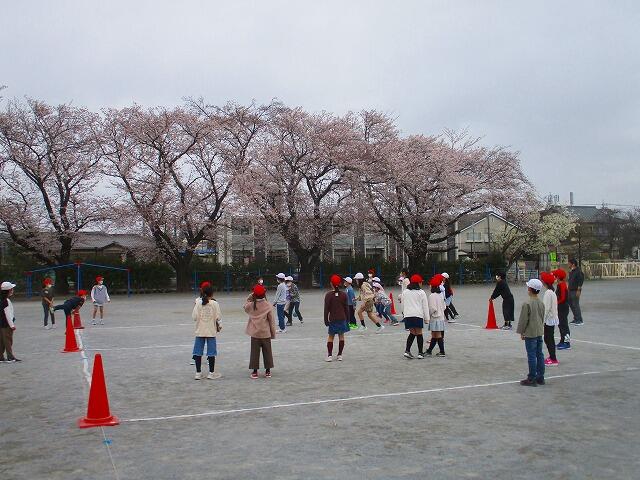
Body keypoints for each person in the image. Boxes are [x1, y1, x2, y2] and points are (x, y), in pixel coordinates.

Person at [516, 279, 546, 387]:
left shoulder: (527, 303)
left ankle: (532, 377)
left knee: (531, 355)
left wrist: (521, 331)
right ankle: (540, 377)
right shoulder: (541, 303)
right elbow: (542, 317)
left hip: (530, 332)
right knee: (539, 354)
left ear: (530, 289)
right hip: (539, 331)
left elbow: (523, 319)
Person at [244, 284, 276, 379]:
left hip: (255, 334)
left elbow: (245, 306)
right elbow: (271, 321)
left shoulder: (251, 305)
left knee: (254, 353)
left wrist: (250, 296)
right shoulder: (268, 305)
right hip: (265, 333)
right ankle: (268, 371)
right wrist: (273, 334)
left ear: (254, 294)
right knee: (267, 352)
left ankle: (255, 372)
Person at [191, 283, 222, 380]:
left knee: (198, 352)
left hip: (200, 331)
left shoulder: (198, 303)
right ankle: (211, 373)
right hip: (211, 331)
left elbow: (194, 317)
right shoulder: (215, 304)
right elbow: (218, 317)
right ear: (212, 294)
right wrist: (220, 326)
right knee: (211, 353)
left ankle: (198, 373)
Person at [401, 274, 430, 359]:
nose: (421, 284)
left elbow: (402, 304)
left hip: (408, 315)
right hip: (418, 315)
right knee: (419, 333)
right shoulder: (421, 292)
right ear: (418, 283)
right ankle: (420, 353)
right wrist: (427, 318)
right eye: (421, 282)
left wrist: (404, 314)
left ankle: (407, 351)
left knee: (412, 333)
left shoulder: (405, 292)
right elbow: (425, 306)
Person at [324, 275, 350, 362]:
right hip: (342, 318)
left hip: (333, 319)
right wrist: (348, 319)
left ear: (331, 283)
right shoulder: (344, 295)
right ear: (339, 283)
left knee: (331, 337)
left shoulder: (328, 295)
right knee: (341, 336)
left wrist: (326, 320)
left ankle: (329, 355)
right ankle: (339, 355)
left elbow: (326, 309)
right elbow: (346, 308)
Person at [540, 272, 559, 366]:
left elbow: (546, 309)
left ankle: (553, 358)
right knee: (549, 338)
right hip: (552, 318)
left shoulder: (548, 293)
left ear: (545, 282)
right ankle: (552, 356)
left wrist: (542, 320)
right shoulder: (551, 292)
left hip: (549, 319)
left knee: (548, 339)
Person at [426, 275, 447, 357]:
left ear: (432, 286)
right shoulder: (441, 294)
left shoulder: (432, 296)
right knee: (434, 335)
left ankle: (442, 351)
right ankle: (429, 350)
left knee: (437, 335)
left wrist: (428, 315)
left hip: (435, 318)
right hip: (441, 317)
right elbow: (444, 307)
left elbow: (432, 308)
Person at [0, 282, 20, 363]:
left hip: (1, 324)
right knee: (8, 341)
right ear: (8, 290)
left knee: (1, 341)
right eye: (12, 289)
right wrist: (12, 325)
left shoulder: (1, 300)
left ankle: (0, 357)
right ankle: (10, 357)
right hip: (7, 325)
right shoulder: (6, 301)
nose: (13, 290)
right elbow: (8, 314)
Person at [553, 269, 571, 350]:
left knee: (564, 325)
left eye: (555, 276)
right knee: (560, 325)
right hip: (560, 307)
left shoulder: (562, 285)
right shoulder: (560, 285)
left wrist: (556, 303)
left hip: (563, 307)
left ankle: (567, 343)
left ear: (558, 277)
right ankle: (562, 340)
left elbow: (563, 298)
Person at [568, 258, 584, 326]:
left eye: (569, 263)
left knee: (576, 305)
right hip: (570, 290)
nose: (568, 264)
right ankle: (576, 318)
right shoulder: (572, 271)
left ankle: (579, 320)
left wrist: (579, 290)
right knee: (571, 304)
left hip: (575, 290)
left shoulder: (578, 271)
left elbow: (581, 281)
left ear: (573, 264)